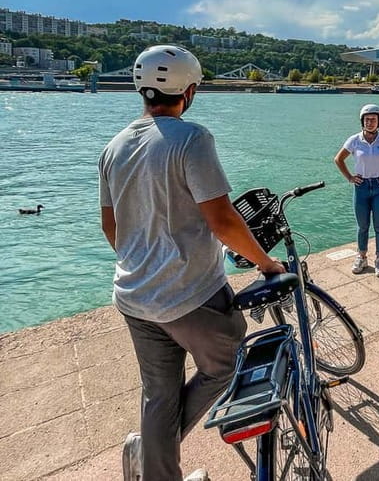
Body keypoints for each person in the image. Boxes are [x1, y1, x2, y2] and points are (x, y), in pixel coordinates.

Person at [98, 45, 285, 481]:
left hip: (133, 296)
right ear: (190, 91)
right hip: (192, 296)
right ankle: (150, 454)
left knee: (159, 396)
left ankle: (153, 463)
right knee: (227, 362)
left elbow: (111, 227)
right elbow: (223, 220)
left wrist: (143, 263)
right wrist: (265, 263)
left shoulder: (113, 147)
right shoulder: (192, 139)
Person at [333, 104, 379, 277]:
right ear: (362, 121)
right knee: (362, 226)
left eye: (373, 119)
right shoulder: (354, 140)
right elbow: (338, 159)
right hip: (361, 187)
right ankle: (362, 257)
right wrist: (350, 177)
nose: (370, 122)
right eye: (366, 119)